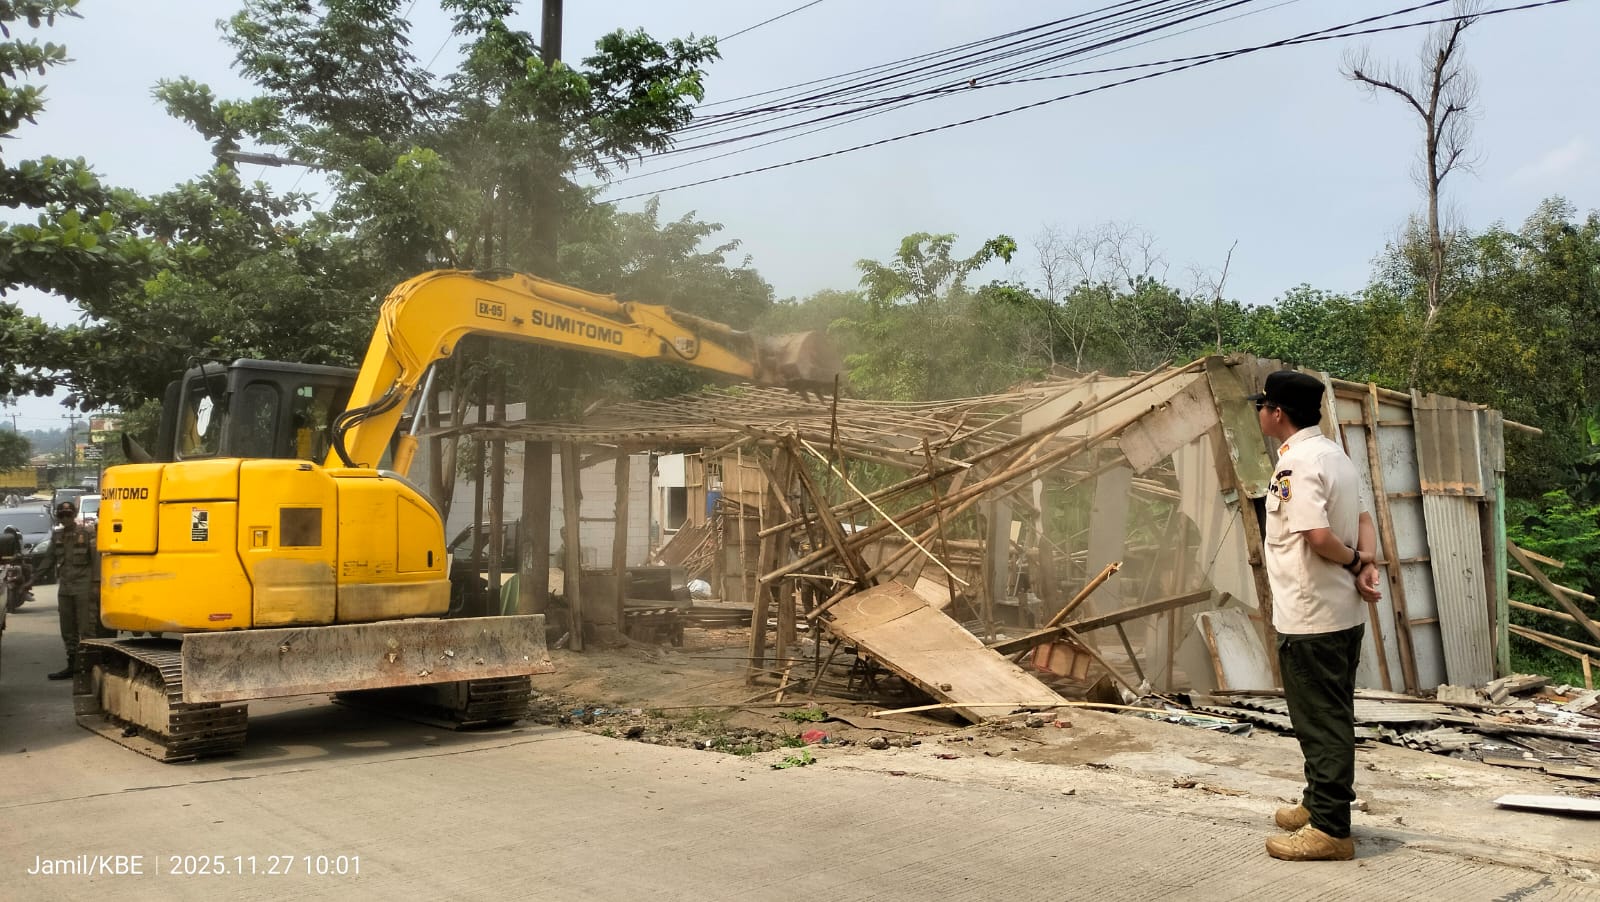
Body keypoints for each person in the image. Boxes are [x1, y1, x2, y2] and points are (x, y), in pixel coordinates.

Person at [1249, 370, 1382, 862]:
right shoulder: (1334, 456)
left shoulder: (1298, 464)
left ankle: (1330, 829)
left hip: (1311, 616)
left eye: (1261, 406)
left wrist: (1352, 562)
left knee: (1321, 721)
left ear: (1277, 412)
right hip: (1340, 613)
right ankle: (1317, 802)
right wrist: (1366, 564)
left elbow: (1316, 536)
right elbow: (1364, 520)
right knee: (1329, 714)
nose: (1260, 413)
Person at [46, 500, 112, 680]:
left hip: (84, 586)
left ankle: (91, 667)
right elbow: (48, 560)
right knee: (67, 628)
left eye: (68, 515)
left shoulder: (87, 533)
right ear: (58, 517)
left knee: (87, 626)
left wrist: (97, 584)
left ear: (74, 515)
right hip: (65, 587)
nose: (65, 518)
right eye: (62, 515)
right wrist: (32, 579)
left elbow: (97, 561)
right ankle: (72, 664)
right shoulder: (57, 536)